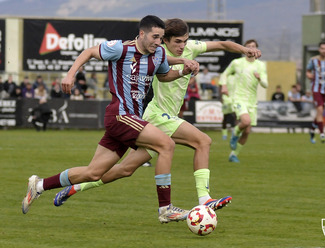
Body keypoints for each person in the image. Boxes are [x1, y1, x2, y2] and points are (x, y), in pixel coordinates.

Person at [53, 18, 261, 216]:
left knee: (125, 169)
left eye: (185, 42)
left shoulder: (191, 48)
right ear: (164, 40)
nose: (182, 46)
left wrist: (245, 50)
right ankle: (203, 199)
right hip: (155, 116)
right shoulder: (156, 52)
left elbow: (223, 44)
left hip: (164, 118)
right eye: (177, 42)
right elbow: (161, 67)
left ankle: (75, 188)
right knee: (203, 141)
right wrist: (182, 64)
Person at [22, 15, 198, 224]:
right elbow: (89, 52)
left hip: (129, 119)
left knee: (93, 173)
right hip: (120, 115)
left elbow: (164, 75)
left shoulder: (158, 53)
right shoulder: (120, 49)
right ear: (142, 34)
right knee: (166, 144)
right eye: (155, 37)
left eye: (161, 38)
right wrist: (70, 74)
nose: (158, 42)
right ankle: (165, 209)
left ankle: (40, 185)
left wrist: (183, 71)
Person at [221, 39, 268, 163]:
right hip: (238, 98)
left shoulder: (260, 65)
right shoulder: (237, 63)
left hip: (252, 101)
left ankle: (234, 154)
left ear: (257, 49)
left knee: (247, 131)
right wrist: (224, 85)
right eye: (248, 47)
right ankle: (235, 133)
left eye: (253, 47)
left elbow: (265, 84)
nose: (251, 49)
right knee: (245, 121)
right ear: (244, 49)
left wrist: (259, 79)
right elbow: (224, 74)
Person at [220, 74, 237, 140]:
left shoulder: (237, 76)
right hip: (226, 99)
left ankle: (235, 133)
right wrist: (221, 97)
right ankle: (224, 134)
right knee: (225, 117)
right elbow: (220, 87)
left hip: (234, 99)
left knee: (236, 116)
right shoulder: (225, 76)